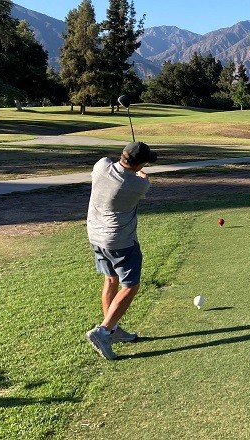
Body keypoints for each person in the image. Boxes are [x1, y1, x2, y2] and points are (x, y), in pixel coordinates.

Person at [84, 141, 158, 360]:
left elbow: (114, 163)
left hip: (96, 236)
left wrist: (134, 163)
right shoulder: (137, 186)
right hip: (120, 241)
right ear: (139, 164)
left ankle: (114, 330)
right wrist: (140, 170)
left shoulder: (100, 165)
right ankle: (104, 331)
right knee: (130, 286)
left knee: (110, 279)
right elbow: (144, 179)